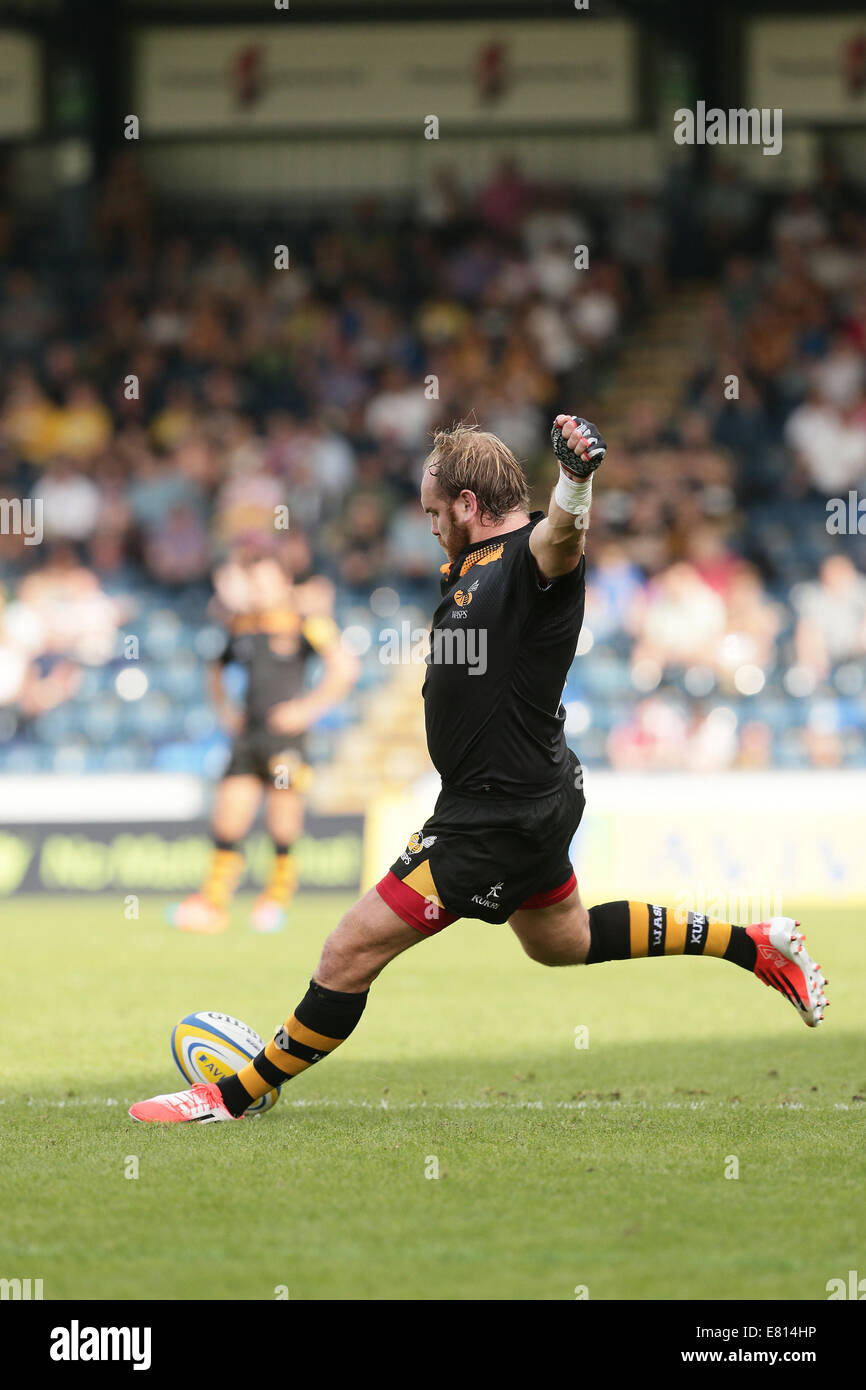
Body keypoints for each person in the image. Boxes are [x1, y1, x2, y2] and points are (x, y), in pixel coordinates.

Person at [131, 416, 828, 1123]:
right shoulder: (475, 564)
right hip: (533, 793)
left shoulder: (529, 553)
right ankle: (755, 945)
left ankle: (230, 1097)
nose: (431, 526)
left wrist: (576, 482)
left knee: (347, 951)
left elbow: (562, 536)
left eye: (436, 512)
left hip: (491, 817)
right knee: (565, 942)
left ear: (467, 504)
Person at [167, 541, 359, 934]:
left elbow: (344, 667)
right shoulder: (240, 625)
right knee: (228, 819)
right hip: (248, 736)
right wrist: (224, 711)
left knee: (282, 820)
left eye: (266, 582)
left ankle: (276, 899)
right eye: (254, 583)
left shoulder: (306, 621)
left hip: (286, 739)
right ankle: (214, 903)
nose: (259, 590)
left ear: (284, 582)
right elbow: (214, 671)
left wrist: (306, 710)